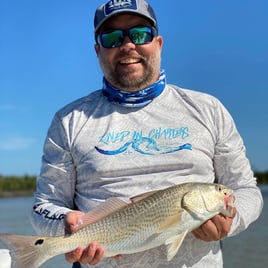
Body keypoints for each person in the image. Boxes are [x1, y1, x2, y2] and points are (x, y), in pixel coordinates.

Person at [31, 0, 263, 267]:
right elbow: (44, 206)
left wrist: (231, 220)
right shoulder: (69, 121)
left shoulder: (208, 109)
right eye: (112, 37)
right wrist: (66, 225)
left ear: (159, 43)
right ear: (98, 51)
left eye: (141, 34)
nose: (128, 45)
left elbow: (245, 190)